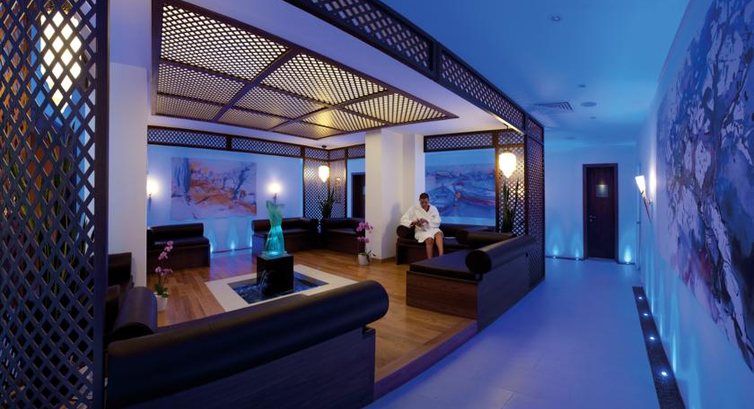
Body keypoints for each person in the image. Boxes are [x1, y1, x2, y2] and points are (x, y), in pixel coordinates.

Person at [400, 192, 444, 259]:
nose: (424, 204)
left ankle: (441, 257)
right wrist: (413, 222)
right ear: (419, 201)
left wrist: (427, 221)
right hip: (421, 230)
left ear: (428, 201)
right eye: (422, 202)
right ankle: (430, 261)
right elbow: (403, 219)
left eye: (426, 202)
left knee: (439, 234)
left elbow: (438, 221)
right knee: (429, 239)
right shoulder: (414, 208)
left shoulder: (433, 209)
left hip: (432, 228)